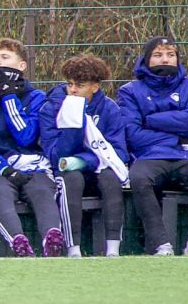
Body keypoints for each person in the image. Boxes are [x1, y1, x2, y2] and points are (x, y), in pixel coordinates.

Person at [117, 37, 188, 256]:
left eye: (170, 54)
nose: (165, 59)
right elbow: (133, 135)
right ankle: (160, 245)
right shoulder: (130, 91)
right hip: (149, 157)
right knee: (139, 178)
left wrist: (151, 119)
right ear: (146, 60)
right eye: (158, 54)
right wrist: (177, 136)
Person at [0, 38, 63, 257]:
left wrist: (8, 97)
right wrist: (5, 168)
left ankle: (51, 239)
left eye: (4, 57)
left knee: (41, 190)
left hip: (33, 165)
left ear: (22, 66)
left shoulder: (36, 98)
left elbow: (25, 137)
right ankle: (18, 242)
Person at [41, 55, 129, 257]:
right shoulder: (51, 109)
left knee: (110, 178)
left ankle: (113, 249)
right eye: (69, 84)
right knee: (71, 179)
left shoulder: (110, 108)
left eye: (79, 85)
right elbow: (56, 155)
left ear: (95, 87)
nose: (72, 90)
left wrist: (83, 160)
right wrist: (73, 123)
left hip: (98, 167)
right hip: (66, 170)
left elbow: (118, 153)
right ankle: (73, 250)